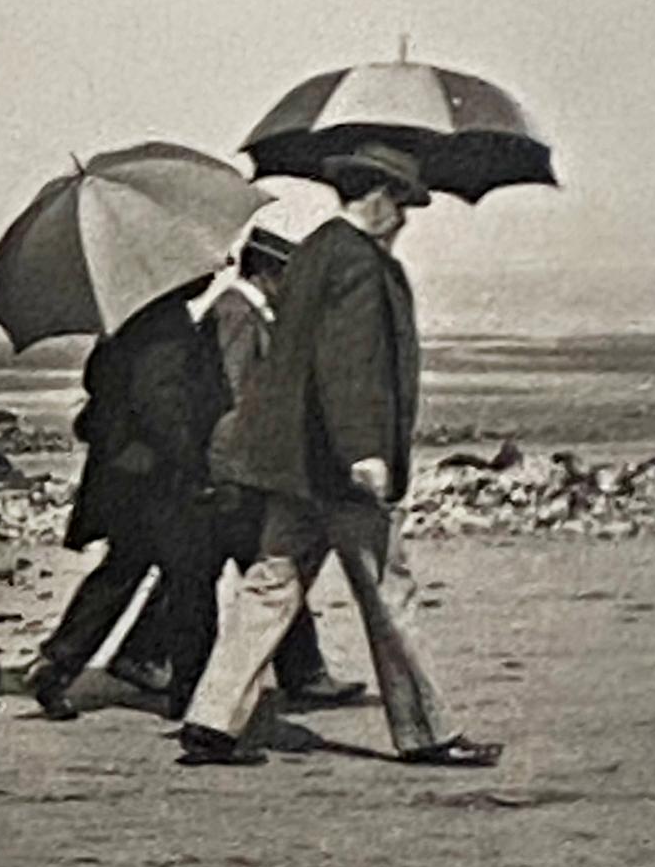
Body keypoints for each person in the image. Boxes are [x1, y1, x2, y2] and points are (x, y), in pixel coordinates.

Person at [175, 145, 501, 769]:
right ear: (376, 196)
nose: (404, 219)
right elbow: (347, 365)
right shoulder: (357, 262)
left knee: (269, 586)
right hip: (338, 472)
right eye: (401, 204)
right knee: (387, 593)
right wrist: (365, 453)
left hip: (294, 466)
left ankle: (211, 721)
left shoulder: (317, 251)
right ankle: (428, 732)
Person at [107, 228, 361, 708]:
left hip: (228, 467)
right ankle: (300, 672)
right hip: (233, 468)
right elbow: (233, 396)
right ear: (268, 273)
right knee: (264, 566)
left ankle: (145, 653)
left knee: (220, 568)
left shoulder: (238, 310)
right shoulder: (237, 313)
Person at [16, 279, 232, 722]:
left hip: (122, 473)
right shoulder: (167, 325)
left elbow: (100, 383)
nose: (215, 272)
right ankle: (190, 694)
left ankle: (57, 663)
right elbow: (163, 407)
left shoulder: (128, 319)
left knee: (123, 569)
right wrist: (197, 465)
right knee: (192, 578)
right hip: (160, 478)